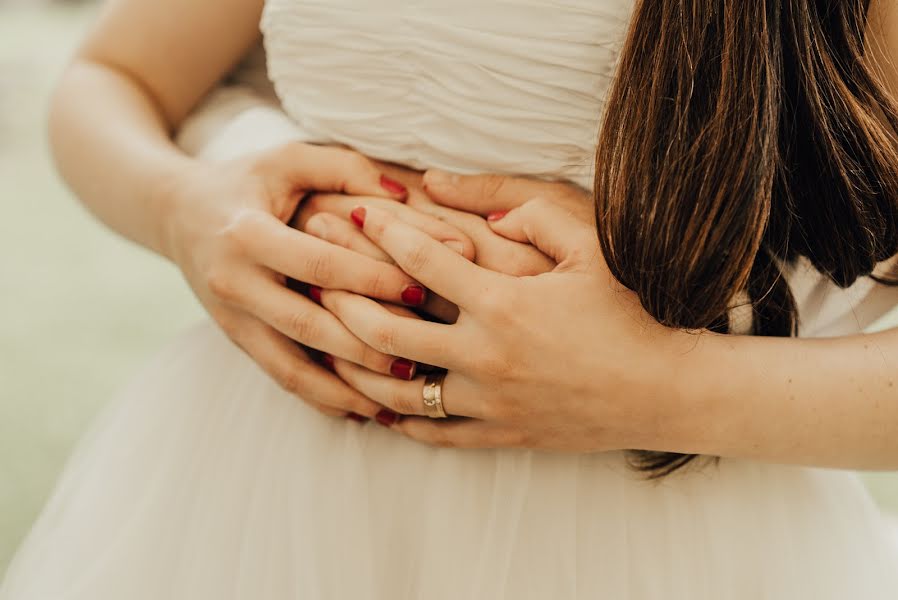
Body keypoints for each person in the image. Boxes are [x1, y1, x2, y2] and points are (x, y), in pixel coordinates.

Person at [3, 0, 898, 598]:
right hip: (260, 474)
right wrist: (184, 210)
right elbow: (114, 78)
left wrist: (647, 383)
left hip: (668, 530)